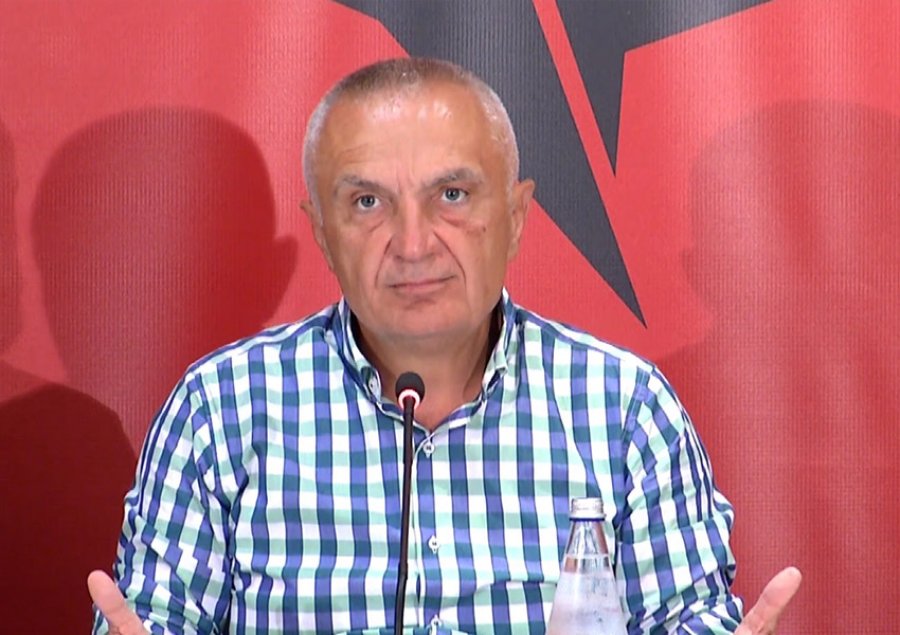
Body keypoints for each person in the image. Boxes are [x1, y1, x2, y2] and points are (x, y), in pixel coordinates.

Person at [89, 57, 801, 634]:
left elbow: (687, 621)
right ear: (322, 232)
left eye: (452, 195)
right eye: (367, 202)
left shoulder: (624, 409)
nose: (413, 244)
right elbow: (153, 622)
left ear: (516, 216)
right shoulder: (222, 410)